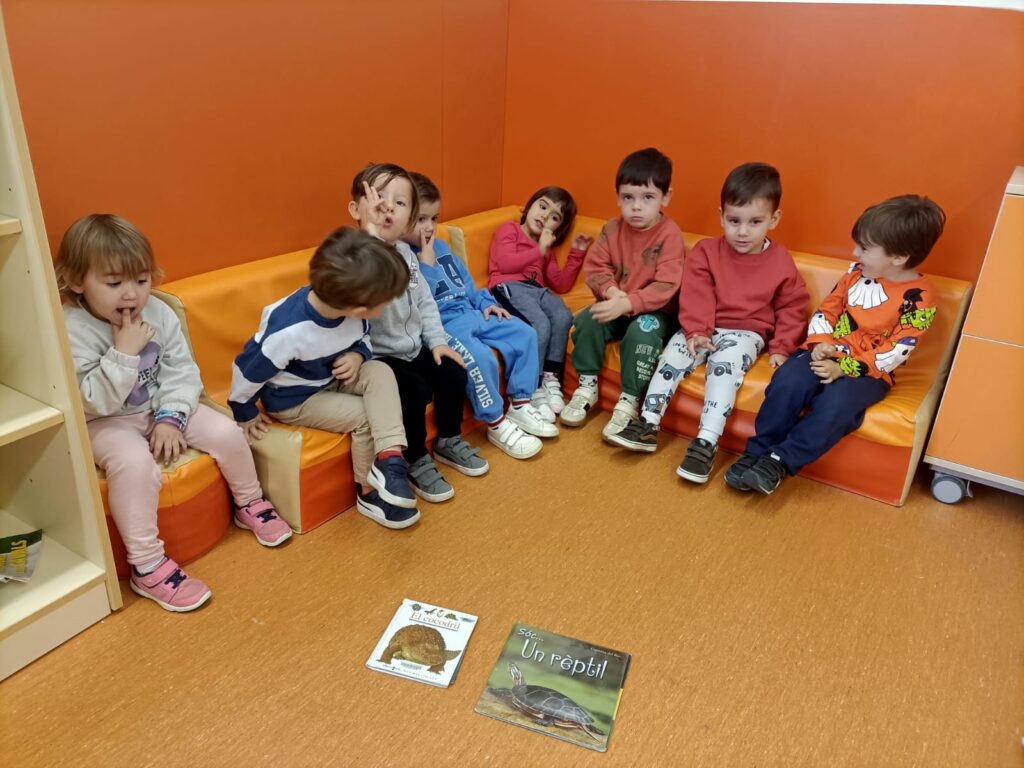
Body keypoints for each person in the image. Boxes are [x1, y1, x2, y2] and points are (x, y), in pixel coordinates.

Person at [57, 214, 291, 613]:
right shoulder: (70, 329)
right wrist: (123, 353)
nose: (131, 294)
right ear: (77, 281)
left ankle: (250, 502)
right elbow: (91, 401)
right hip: (105, 421)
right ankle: (147, 566)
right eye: (113, 284)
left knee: (227, 432)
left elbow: (181, 373)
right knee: (135, 465)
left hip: (159, 406)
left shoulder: (158, 312)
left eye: (141, 280)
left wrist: (171, 417)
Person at [725, 194, 946, 495]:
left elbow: (898, 349)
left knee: (837, 405)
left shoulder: (921, 297)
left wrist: (845, 368)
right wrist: (820, 343)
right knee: (789, 381)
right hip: (825, 351)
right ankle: (758, 451)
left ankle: (779, 461)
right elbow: (827, 310)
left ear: (898, 257)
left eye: (865, 248)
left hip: (869, 371)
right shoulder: (855, 272)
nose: (855, 252)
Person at [608, 163, 808, 483]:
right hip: (701, 326)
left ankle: (706, 442)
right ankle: (647, 423)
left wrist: (782, 347)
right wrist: (697, 332)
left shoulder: (781, 261)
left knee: (723, 369)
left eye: (755, 222)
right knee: (672, 356)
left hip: (746, 332)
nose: (742, 232)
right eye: (734, 221)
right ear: (721, 216)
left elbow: (792, 306)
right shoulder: (706, 252)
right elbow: (696, 294)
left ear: (774, 219)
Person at [230, 225, 420, 529]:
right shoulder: (288, 331)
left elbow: (363, 338)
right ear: (359, 307)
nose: (387, 306)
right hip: (295, 399)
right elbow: (246, 369)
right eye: (385, 303)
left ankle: (389, 459)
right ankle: (368, 492)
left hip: (332, 378)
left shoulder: (350, 312)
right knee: (364, 416)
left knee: (381, 370)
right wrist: (244, 410)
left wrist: (358, 355)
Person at [348, 163, 485, 502]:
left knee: (452, 371)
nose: (387, 209)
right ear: (356, 209)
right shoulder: (355, 254)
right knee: (413, 390)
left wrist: (437, 342)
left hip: (411, 347)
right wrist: (371, 231)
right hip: (379, 357)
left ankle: (448, 439)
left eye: (399, 203)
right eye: (378, 199)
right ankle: (414, 457)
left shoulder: (406, 254)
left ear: (409, 217)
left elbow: (425, 302)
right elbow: (364, 283)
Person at [402, 172, 543, 459]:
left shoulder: (441, 246)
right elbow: (415, 304)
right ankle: (495, 422)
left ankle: (520, 403)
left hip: (471, 311)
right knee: (480, 356)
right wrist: (425, 266)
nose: (429, 227)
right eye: (421, 219)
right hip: (444, 325)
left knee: (525, 333)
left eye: (434, 218)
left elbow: (467, 284)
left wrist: (486, 303)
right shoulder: (402, 257)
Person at [561, 147, 685, 439]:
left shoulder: (670, 235)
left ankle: (629, 399)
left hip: (656, 312)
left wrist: (629, 302)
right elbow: (596, 268)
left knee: (642, 333)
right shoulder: (612, 229)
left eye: (647, 198)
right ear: (618, 197)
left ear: (665, 197)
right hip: (617, 302)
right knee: (589, 320)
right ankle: (587, 385)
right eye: (628, 198)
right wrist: (613, 293)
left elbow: (666, 285)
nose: (636, 207)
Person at [488, 185, 593, 422]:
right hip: (509, 286)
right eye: (543, 207)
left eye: (555, 217)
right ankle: (532, 387)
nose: (545, 216)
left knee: (563, 315)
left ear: (559, 228)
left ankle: (550, 377)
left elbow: (560, 284)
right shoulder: (510, 229)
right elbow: (505, 264)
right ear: (529, 207)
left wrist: (577, 253)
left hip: (537, 290)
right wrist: (539, 249)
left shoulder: (546, 248)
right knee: (540, 324)